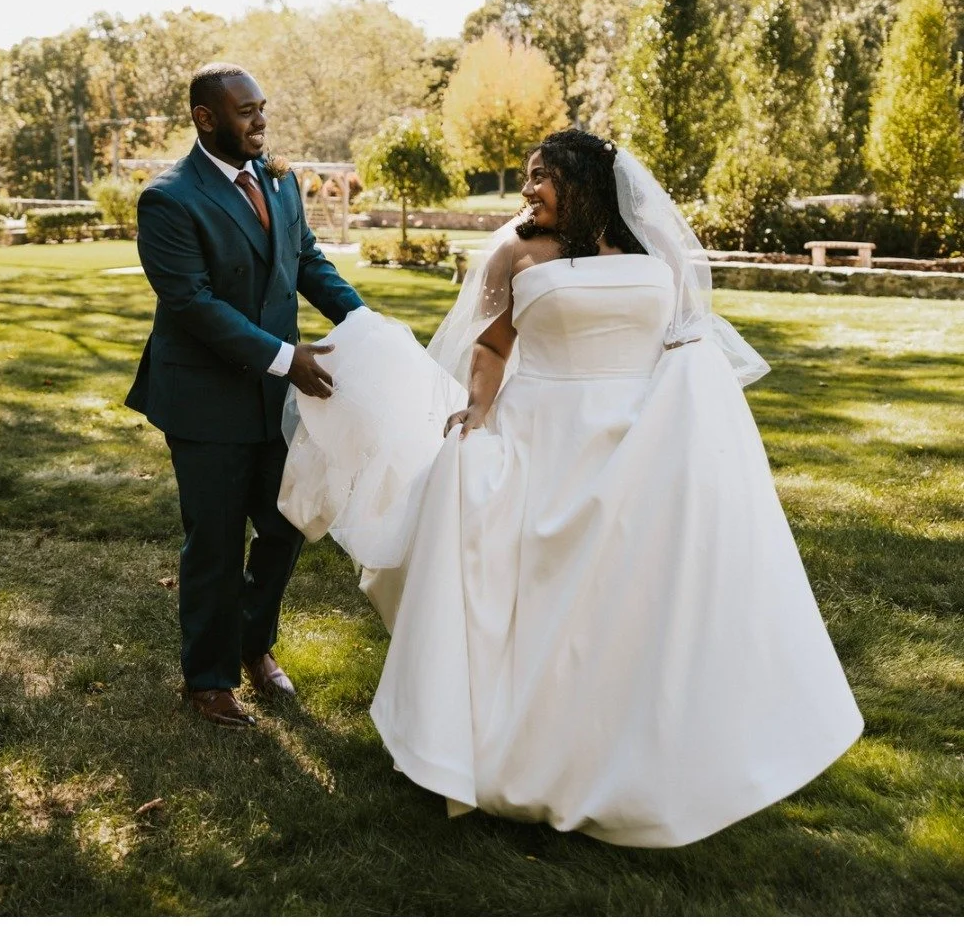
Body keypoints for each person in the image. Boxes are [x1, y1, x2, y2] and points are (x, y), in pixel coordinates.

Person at [279, 129, 863, 847]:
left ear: (583, 182)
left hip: (640, 443)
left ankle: (638, 751)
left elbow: (685, 338)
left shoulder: (653, 253)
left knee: (628, 600)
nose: (527, 191)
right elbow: (492, 345)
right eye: (526, 178)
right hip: (540, 432)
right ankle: (516, 745)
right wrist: (480, 407)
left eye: (540, 177)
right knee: (536, 590)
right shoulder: (515, 252)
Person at [126, 63, 366, 728]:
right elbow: (194, 305)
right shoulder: (169, 199)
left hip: (276, 402)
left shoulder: (281, 181)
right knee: (215, 540)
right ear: (206, 118)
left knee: (287, 524)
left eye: (262, 107)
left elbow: (308, 262)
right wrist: (289, 360)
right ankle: (208, 679)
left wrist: (364, 321)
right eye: (244, 111)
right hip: (205, 401)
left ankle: (253, 645)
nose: (260, 120)